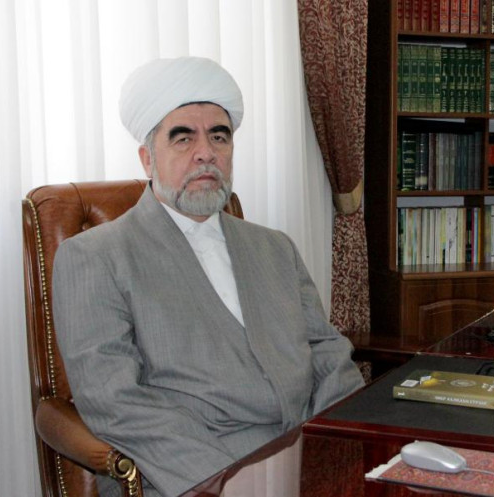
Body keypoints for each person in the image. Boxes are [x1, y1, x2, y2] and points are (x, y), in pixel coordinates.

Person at [52, 56, 365, 497]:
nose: (206, 152)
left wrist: (339, 449)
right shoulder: (95, 257)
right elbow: (114, 401)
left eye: (219, 136)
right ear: (147, 160)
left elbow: (327, 352)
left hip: (308, 458)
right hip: (191, 475)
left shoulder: (275, 247)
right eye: (183, 138)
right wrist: (227, 482)